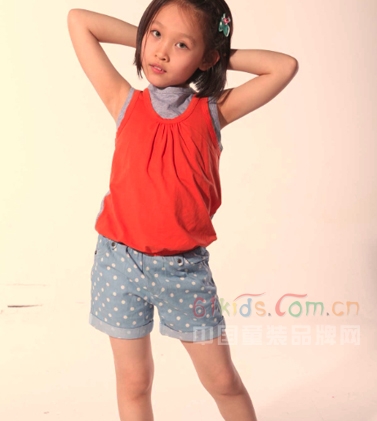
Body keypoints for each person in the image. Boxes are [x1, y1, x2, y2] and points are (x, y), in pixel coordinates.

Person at [67, 1, 298, 419]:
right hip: (119, 265)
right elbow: (79, 21)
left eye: (181, 45)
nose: (161, 52)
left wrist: (216, 55)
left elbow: (283, 67)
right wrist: (147, 39)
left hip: (183, 271)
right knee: (134, 382)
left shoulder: (212, 111)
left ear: (206, 57)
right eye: (156, 34)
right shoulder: (124, 101)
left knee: (223, 381)